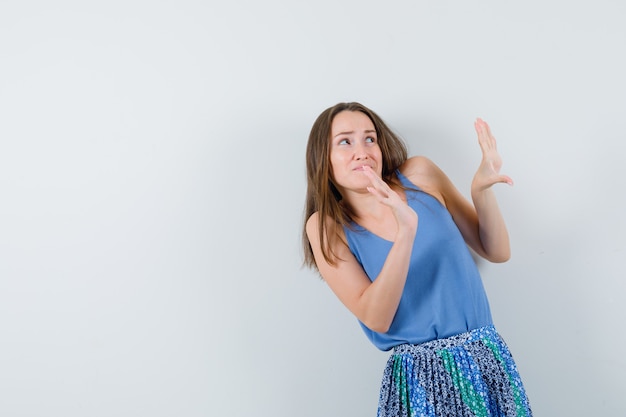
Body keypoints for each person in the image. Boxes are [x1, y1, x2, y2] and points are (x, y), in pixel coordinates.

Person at [302, 102, 532, 417]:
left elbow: (497, 251)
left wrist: (480, 192)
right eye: (345, 141)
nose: (362, 150)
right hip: (419, 381)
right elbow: (377, 317)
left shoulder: (420, 174)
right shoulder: (327, 227)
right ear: (322, 159)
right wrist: (405, 231)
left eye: (370, 138)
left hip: (484, 357)